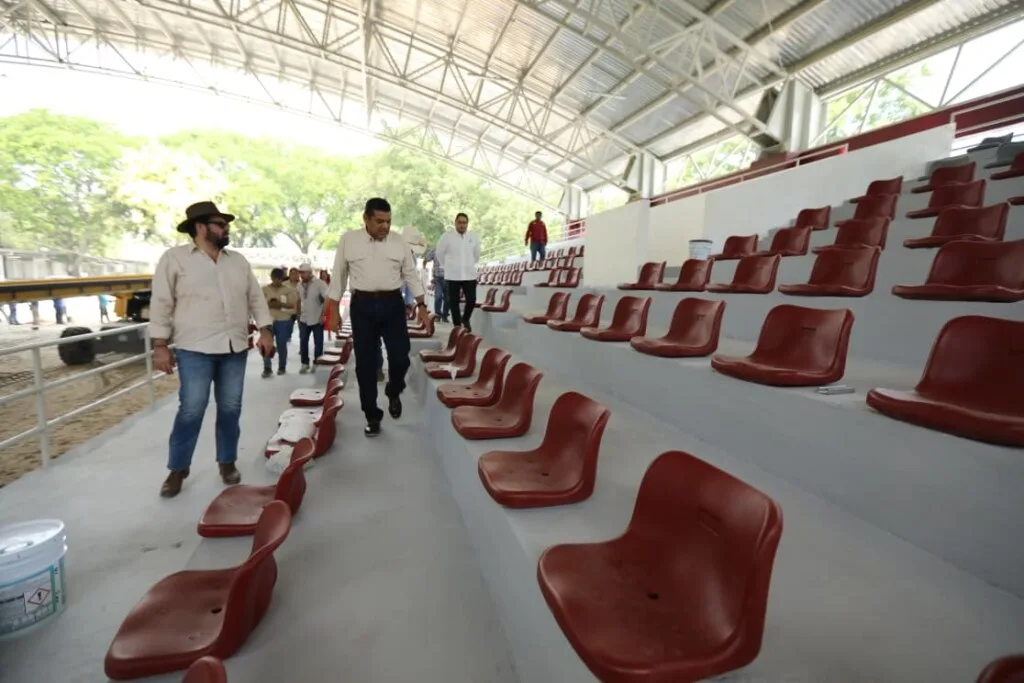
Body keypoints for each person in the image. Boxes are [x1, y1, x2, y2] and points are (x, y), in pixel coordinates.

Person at [149, 201, 274, 498]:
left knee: (230, 408)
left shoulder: (237, 261)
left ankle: (227, 462)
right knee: (191, 409)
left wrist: (266, 330)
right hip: (194, 348)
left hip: (234, 347)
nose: (226, 228)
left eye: (226, 224)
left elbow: (255, 298)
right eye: (219, 224)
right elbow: (161, 303)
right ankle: (178, 468)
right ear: (200, 227)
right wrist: (160, 344)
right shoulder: (175, 259)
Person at [325, 197, 430, 437]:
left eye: (388, 221)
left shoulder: (399, 242)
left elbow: (411, 274)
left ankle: (394, 390)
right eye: (379, 221)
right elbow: (339, 275)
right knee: (365, 365)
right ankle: (372, 415)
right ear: (366, 218)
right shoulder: (349, 240)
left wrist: (422, 304)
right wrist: (333, 311)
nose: (385, 226)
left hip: (392, 305)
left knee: (400, 357)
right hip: (362, 307)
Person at [436, 212, 481, 331]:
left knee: (471, 300)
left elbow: (477, 254)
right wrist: (445, 266)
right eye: (460, 222)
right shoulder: (447, 236)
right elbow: (439, 252)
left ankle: (465, 319)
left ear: (467, 224)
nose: (462, 225)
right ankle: (457, 327)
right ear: (455, 223)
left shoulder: (473, 237)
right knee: (453, 302)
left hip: (469, 274)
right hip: (452, 275)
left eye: (464, 223)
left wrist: (469, 263)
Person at [261, 267, 298, 378]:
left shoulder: (289, 290)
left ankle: (282, 367)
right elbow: (258, 305)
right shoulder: (264, 290)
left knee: (281, 344)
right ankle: (267, 368)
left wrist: (281, 305)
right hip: (268, 321)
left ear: (282, 279)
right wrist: (268, 304)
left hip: (283, 320)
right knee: (266, 344)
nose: (277, 281)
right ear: (271, 278)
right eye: (275, 278)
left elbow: (293, 305)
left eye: (279, 279)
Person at [296, 261, 328, 373]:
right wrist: (298, 314)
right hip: (304, 318)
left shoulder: (320, 284)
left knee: (318, 342)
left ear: (310, 273)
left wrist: (323, 315)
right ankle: (305, 363)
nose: (301, 275)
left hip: (317, 318)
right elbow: (299, 300)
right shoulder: (299, 285)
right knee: (303, 342)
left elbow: (327, 300)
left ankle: (317, 363)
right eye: (300, 273)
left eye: (303, 273)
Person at [423, 243, 449, 322]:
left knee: (448, 299)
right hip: (438, 279)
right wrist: (424, 269)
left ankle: (445, 315)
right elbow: (426, 259)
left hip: (449, 279)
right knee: (438, 297)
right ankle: (437, 315)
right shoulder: (435, 250)